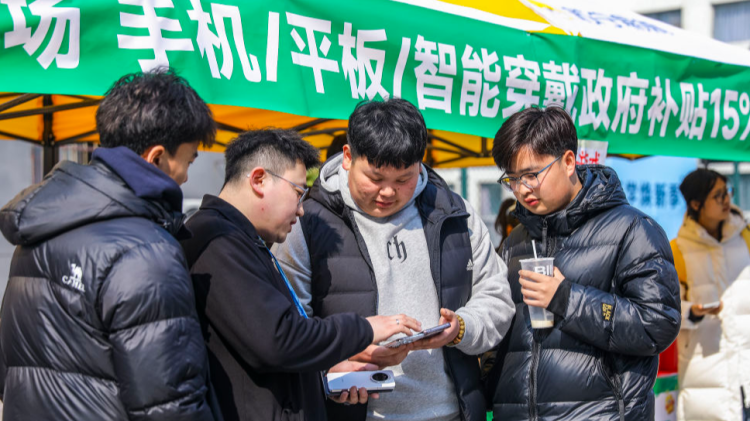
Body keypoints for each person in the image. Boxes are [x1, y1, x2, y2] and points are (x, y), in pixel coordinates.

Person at [272, 98, 515, 421]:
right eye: (375, 178)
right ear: (348, 157)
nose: (388, 192)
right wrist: (333, 367)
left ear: (420, 164)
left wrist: (461, 328)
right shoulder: (306, 222)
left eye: (403, 180)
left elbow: (496, 296)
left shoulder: (454, 213)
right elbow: (286, 329)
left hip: (452, 412)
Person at [0, 70, 217, 420]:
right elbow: (172, 407)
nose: (187, 176)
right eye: (189, 160)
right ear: (157, 157)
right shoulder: (146, 252)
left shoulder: (38, 230)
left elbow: (12, 370)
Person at [179, 129, 421, 421]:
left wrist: (322, 378)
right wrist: (365, 328)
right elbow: (279, 340)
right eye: (297, 192)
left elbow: (269, 345)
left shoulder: (242, 240)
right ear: (259, 180)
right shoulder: (217, 240)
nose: (301, 209)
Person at [486, 106, 681, 420]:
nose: (522, 189)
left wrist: (567, 298)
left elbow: (658, 324)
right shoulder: (515, 242)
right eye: (513, 179)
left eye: (532, 175)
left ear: (568, 162)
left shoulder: (633, 230)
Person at [671, 169, 750, 421]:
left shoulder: (746, 237)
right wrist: (692, 312)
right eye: (718, 195)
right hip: (705, 372)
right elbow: (666, 310)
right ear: (696, 204)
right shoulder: (677, 250)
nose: (727, 199)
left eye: (727, 191)